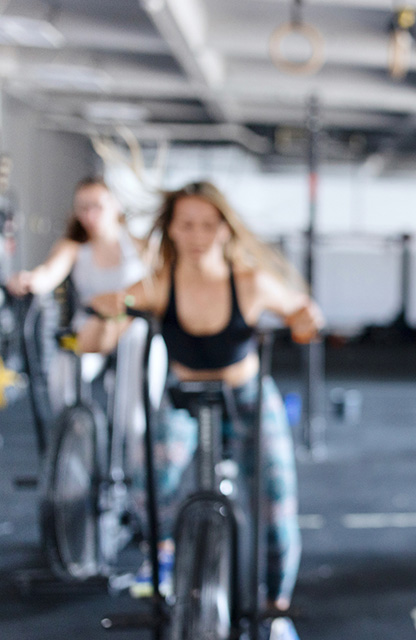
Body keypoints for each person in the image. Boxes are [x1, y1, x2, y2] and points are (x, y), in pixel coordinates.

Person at [94, 181, 321, 640]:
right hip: (185, 399)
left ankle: (275, 609)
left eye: (207, 224)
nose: (197, 235)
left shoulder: (250, 283)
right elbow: (105, 333)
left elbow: (304, 314)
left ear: (224, 229)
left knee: (276, 507)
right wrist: (109, 313)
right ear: (171, 230)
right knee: (146, 486)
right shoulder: (158, 284)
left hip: (248, 398)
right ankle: (166, 559)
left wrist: (303, 319)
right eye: (187, 225)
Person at [5, 176, 145, 354]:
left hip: (132, 332)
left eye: (97, 207)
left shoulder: (141, 247)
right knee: (102, 323)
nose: (90, 215)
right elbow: (48, 273)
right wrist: (28, 279)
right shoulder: (72, 247)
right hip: (87, 334)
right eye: (83, 208)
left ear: (116, 204)